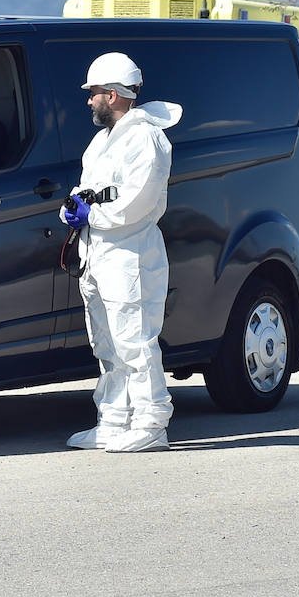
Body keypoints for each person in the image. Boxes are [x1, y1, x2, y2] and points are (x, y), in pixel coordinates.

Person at [61, 51, 182, 453]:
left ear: (112, 95)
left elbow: (137, 204)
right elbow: (88, 190)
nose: (88, 100)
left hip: (131, 255)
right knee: (106, 343)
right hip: (97, 254)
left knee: (135, 340)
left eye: (93, 93)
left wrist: (91, 216)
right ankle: (113, 419)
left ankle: (152, 421)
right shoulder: (102, 141)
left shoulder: (146, 139)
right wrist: (72, 209)